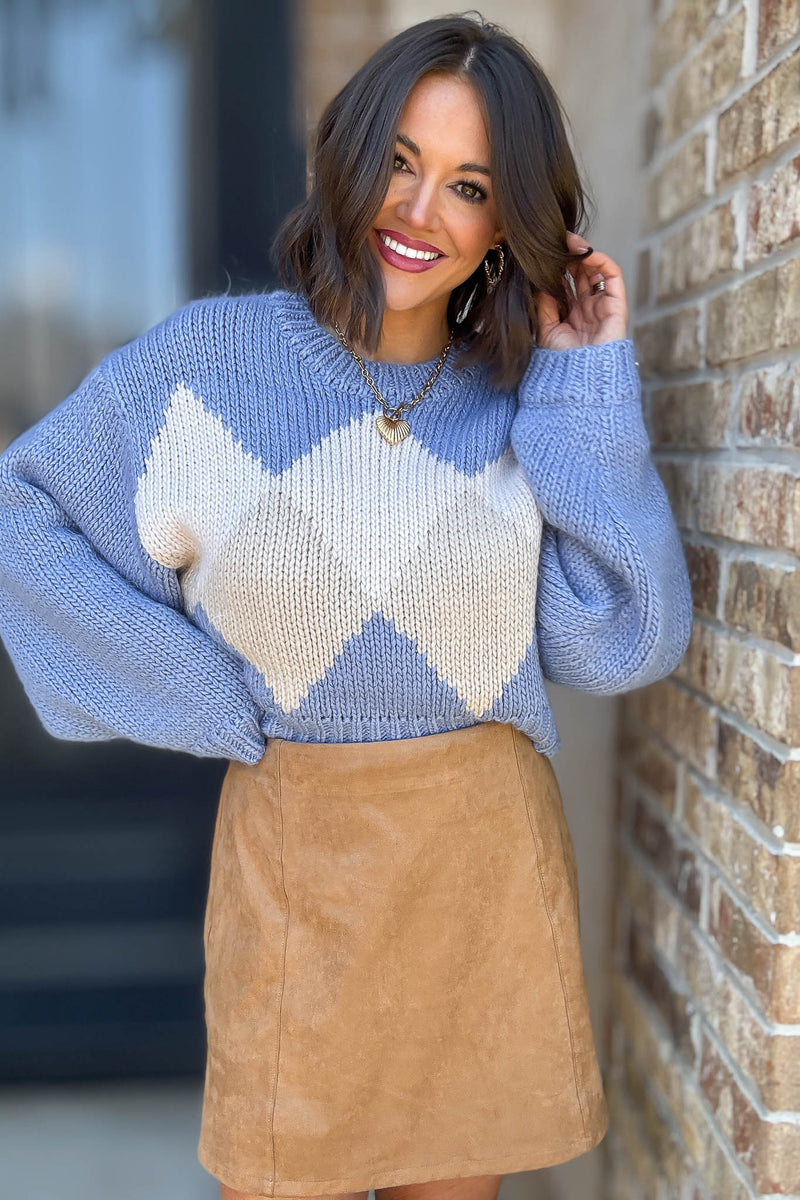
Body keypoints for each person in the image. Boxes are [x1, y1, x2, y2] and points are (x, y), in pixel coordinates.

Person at [0, 12, 693, 1200]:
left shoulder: (522, 397)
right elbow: (24, 519)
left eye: (469, 186)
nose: (419, 212)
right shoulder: (205, 370)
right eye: (401, 161)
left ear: (505, 226)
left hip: (476, 876)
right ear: (349, 152)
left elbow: (618, 634)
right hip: (297, 889)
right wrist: (198, 690)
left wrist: (582, 375)